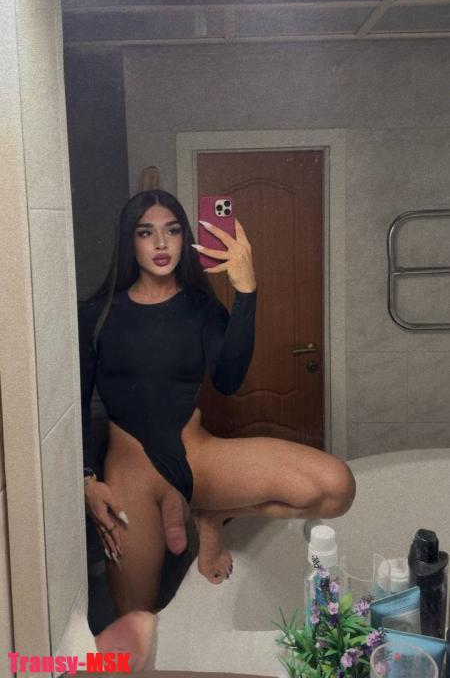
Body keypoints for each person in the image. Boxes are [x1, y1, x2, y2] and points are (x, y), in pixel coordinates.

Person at [79, 190, 355, 634]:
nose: (161, 243)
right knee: (137, 623)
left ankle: (211, 513)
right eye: (146, 233)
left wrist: (246, 291)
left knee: (336, 488)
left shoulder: (200, 307)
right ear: (129, 241)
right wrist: (87, 481)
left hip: (197, 456)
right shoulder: (97, 313)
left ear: (185, 237)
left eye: (172, 231)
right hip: (131, 472)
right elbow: (73, 403)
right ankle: (203, 513)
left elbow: (228, 380)